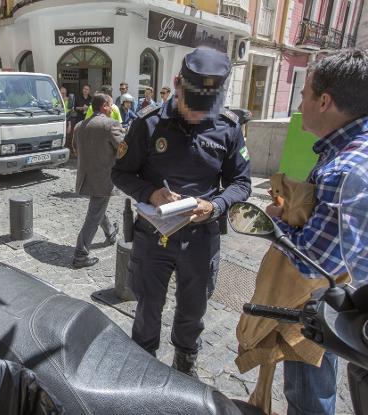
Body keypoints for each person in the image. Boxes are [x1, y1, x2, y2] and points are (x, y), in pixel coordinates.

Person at [111, 47, 252, 377]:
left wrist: (215, 205)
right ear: (176, 84)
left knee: (193, 311)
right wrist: (150, 193)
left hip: (200, 239)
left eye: (206, 108)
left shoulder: (228, 128)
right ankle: (141, 369)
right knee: (148, 307)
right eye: (192, 106)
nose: (197, 116)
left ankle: (184, 368)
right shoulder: (148, 124)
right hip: (153, 237)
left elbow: (241, 183)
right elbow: (120, 173)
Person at [264, 49, 368, 415]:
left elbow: (315, 262)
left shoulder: (343, 171)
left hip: (333, 307)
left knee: (309, 400)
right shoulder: (350, 153)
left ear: (324, 101)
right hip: (353, 308)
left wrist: (274, 220)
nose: (300, 103)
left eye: (304, 94)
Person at [72, 93, 123, 268]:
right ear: (104, 107)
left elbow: (75, 148)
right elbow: (124, 149)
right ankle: (81, 253)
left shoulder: (80, 125)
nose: (112, 108)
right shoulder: (110, 125)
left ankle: (110, 233)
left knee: (97, 208)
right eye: (111, 105)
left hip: (85, 178)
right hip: (102, 178)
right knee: (94, 214)